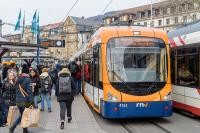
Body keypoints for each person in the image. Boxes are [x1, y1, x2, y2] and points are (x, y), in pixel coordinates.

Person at [9, 64, 33, 133]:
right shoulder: (28, 79)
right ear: (28, 72)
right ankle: (13, 127)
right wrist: (31, 102)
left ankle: (25, 130)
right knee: (24, 115)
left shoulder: (18, 79)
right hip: (26, 101)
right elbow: (29, 92)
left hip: (18, 101)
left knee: (23, 115)